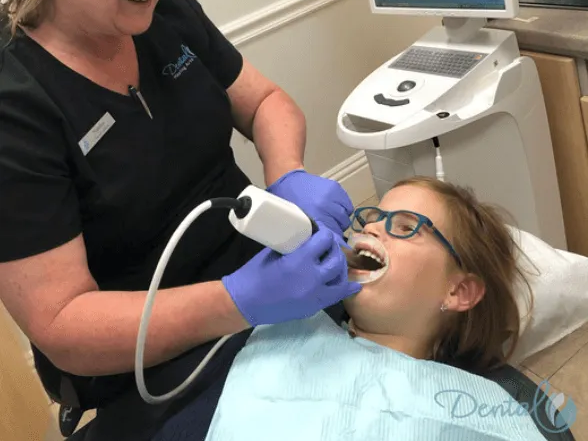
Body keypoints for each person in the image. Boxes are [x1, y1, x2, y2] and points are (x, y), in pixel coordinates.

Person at [0, 0, 360, 417]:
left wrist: (288, 176)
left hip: (264, 274)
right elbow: (63, 323)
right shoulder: (16, 102)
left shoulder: (163, 11)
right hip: (154, 362)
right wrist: (238, 301)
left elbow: (265, 102)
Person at [154, 177, 552, 441]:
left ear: (459, 291)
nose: (372, 228)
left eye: (405, 227)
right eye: (371, 218)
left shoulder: (473, 408)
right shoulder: (293, 327)